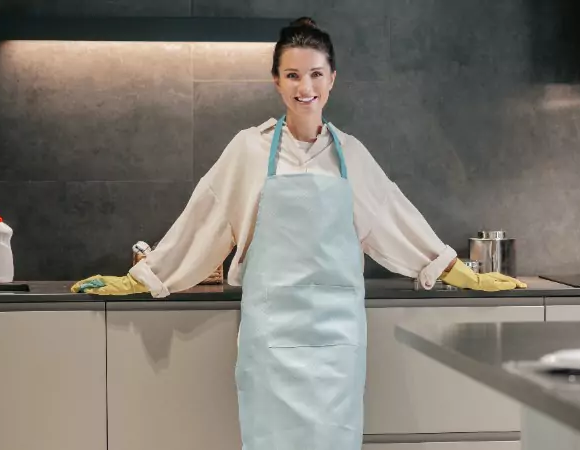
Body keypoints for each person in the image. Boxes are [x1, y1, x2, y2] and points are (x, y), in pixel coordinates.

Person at [72, 17, 526, 450]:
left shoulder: (351, 155)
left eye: (315, 74)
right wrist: (146, 276)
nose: (304, 87)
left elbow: (395, 219)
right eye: (292, 75)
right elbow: (205, 219)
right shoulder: (249, 149)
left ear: (332, 80)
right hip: (270, 339)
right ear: (276, 81)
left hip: (337, 344)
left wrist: (456, 270)